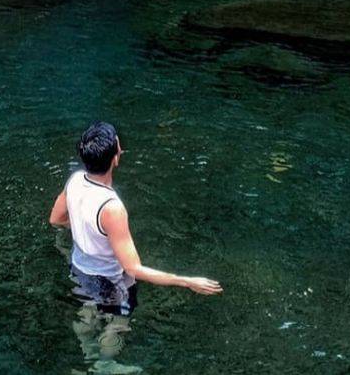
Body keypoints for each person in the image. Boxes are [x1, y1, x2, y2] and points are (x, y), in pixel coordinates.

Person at [48, 121, 223, 319]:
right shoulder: (111, 207)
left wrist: (87, 230)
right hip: (110, 282)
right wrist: (187, 281)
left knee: (86, 317)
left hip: (79, 269)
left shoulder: (75, 180)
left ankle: (87, 348)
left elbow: (55, 219)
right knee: (118, 326)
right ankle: (104, 347)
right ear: (115, 158)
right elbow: (133, 268)